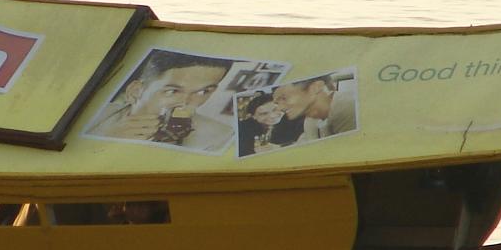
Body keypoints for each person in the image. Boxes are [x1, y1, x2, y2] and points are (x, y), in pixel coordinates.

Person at [85, 49, 235, 152]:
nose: (186, 103)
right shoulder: (90, 119)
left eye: (203, 92)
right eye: (172, 91)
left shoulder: (220, 137)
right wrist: (105, 142)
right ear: (135, 91)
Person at [272, 74, 357, 142]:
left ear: (316, 87)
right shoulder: (311, 119)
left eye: (284, 98)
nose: (279, 108)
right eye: (277, 103)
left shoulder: (348, 106)